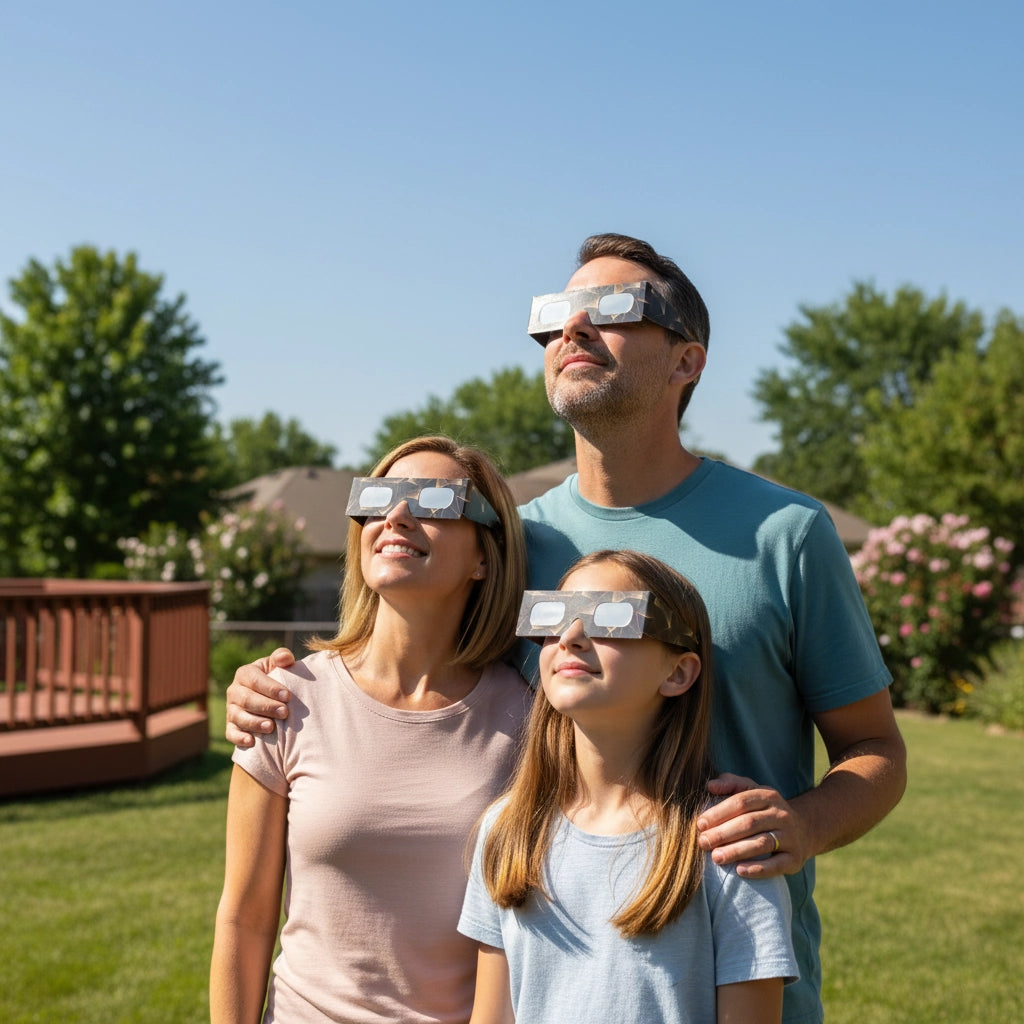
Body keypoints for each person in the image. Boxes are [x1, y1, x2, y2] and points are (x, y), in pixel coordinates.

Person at [225, 234, 907, 1023]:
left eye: (613, 310)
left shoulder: (786, 534)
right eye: (555, 318)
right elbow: (404, 687)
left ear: (687, 363)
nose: (572, 332)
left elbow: (876, 750)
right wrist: (277, 690)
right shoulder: (507, 546)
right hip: (550, 988)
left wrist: (802, 824)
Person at [210, 436, 530, 1024]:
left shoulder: (530, 721)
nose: (397, 516)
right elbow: (245, 917)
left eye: (435, 502)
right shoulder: (283, 698)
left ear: (484, 555)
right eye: (379, 498)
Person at [460, 549, 798, 1024]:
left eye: (612, 618)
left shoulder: (726, 843)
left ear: (678, 672)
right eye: (556, 616)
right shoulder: (506, 828)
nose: (572, 636)